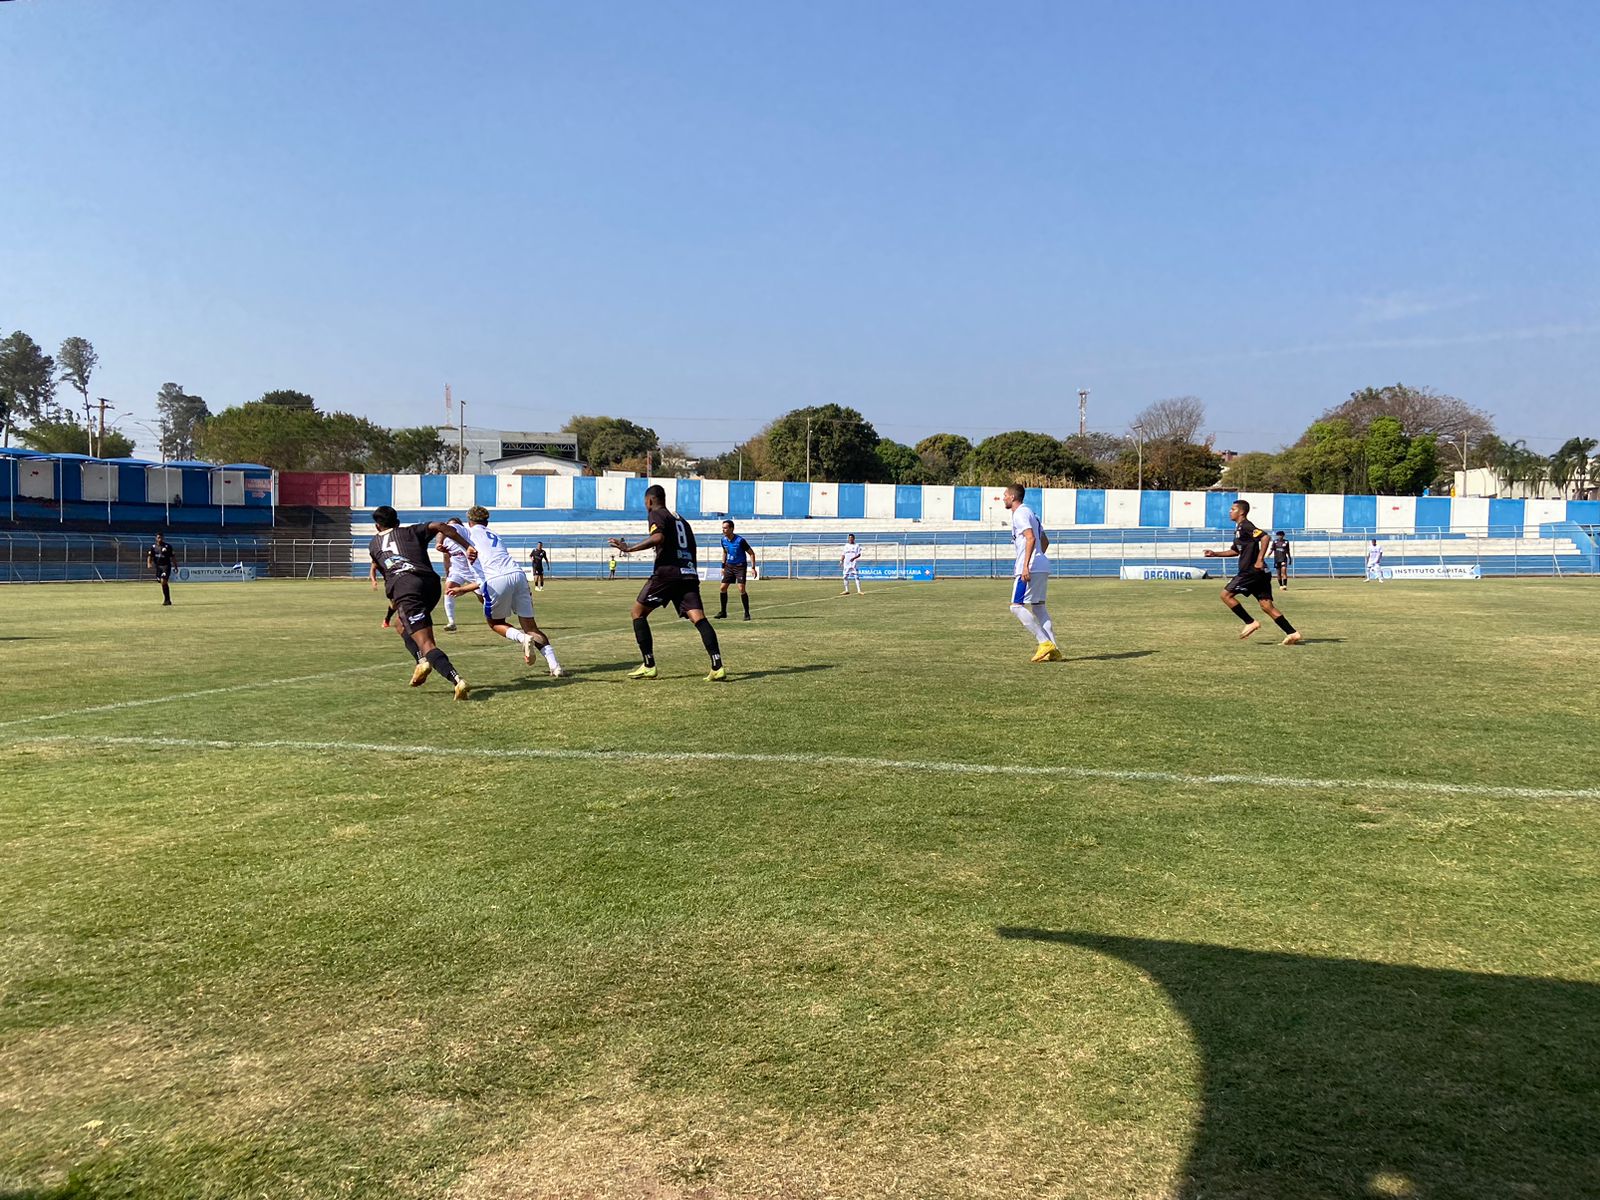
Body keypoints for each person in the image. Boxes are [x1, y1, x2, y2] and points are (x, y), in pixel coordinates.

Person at [609, 485, 726, 681]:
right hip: (687, 573)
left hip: (667, 574)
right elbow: (692, 546)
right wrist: (691, 570)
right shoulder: (682, 520)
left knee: (637, 613)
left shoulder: (657, 513)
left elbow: (658, 537)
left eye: (645, 502)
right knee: (698, 618)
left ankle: (649, 665)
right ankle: (717, 665)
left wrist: (629, 549)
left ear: (650, 501)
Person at [368, 505, 474, 699]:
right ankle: (421, 662)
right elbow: (441, 525)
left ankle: (457, 680)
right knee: (400, 624)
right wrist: (467, 546)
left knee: (426, 643)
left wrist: (395, 597)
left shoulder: (374, 544)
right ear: (397, 522)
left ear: (377, 527)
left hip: (406, 587)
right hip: (430, 584)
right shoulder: (411, 531)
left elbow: (387, 574)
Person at [446, 507, 564, 676]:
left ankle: (522, 639)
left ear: (469, 521)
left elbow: (444, 527)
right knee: (531, 627)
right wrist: (464, 589)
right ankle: (555, 666)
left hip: (495, 580)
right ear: (487, 521)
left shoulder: (467, 532)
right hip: (517, 575)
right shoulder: (494, 535)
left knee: (495, 623)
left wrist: (439, 543)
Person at [1204, 500, 1303, 645]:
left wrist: (1259, 559)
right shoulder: (1238, 529)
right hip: (1260, 573)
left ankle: (1250, 622)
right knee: (1266, 606)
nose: (1229, 511)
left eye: (1232, 509)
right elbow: (1235, 550)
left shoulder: (1246, 525)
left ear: (1241, 512)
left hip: (1251, 571)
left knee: (1225, 595)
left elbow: (1265, 537)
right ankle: (1292, 633)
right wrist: (1215, 554)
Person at [1002, 484, 1061, 662]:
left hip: (1028, 567)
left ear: (1012, 497)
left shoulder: (1020, 514)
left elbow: (1031, 538)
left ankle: (1043, 642)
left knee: (1016, 606)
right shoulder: (1032, 514)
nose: (1003, 498)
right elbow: (1045, 541)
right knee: (1039, 607)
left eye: (1005, 495)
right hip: (1041, 564)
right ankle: (1054, 650)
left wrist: (1026, 565)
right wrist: (1038, 557)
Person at [436, 518, 476, 630]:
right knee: (448, 590)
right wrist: (447, 572)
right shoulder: (446, 540)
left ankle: (495, 616)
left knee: (483, 596)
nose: (449, 527)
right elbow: (446, 556)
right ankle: (451, 622)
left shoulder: (466, 535)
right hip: (456, 570)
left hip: (470, 571)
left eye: (452, 525)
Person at [716, 519, 757, 620]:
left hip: (740, 566)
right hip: (729, 566)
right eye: (723, 528)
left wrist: (753, 568)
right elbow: (725, 552)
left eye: (725, 528)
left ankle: (747, 613)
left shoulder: (740, 541)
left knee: (741, 589)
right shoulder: (723, 540)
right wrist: (723, 566)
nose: (723, 530)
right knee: (723, 588)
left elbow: (751, 553)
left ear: (731, 529)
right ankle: (723, 612)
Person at [147, 533, 176, 606]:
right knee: (162, 582)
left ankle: (167, 600)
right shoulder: (153, 547)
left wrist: (175, 566)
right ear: (156, 538)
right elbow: (150, 556)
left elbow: (173, 557)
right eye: (158, 537)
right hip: (158, 567)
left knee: (163, 581)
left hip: (166, 566)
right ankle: (167, 600)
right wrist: (149, 563)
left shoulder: (168, 546)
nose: (160, 539)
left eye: (161, 537)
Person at [369, 562, 396, 628]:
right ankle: (387, 620)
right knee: (394, 604)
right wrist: (373, 581)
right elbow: (373, 569)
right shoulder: (378, 556)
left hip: (404, 579)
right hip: (390, 583)